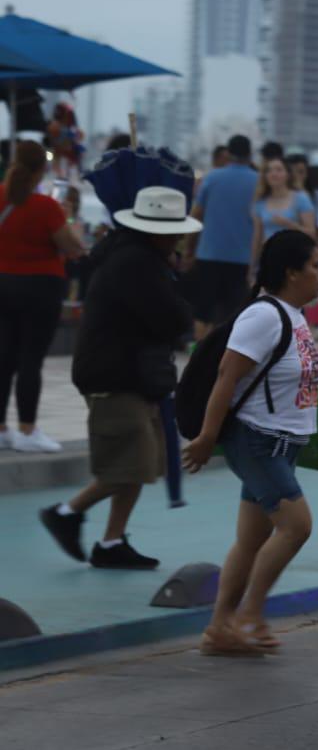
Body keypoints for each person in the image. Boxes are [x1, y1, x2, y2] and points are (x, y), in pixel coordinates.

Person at [183, 230, 318, 656]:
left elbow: (287, 370)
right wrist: (206, 436)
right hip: (260, 442)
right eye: (315, 266)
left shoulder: (292, 315)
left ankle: (220, 628)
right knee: (297, 526)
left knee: (251, 539)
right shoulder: (263, 316)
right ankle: (250, 615)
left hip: (282, 444)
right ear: (291, 272)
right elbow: (227, 376)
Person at [39, 187, 199, 569]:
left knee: (141, 462)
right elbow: (171, 318)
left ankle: (111, 542)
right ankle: (66, 512)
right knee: (133, 463)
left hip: (131, 373)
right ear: (155, 231)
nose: (179, 236)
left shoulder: (138, 258)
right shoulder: (136, 264)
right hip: (116, 374)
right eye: (174, 230)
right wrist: (179, 302)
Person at [0, 141, 87, 453]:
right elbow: (73, 248)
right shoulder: (46, 207)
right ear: (42, 170)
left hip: (3, 284)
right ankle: (27, 429)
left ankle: (1, 429)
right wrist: (67, 220)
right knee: (30, 360)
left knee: (4, 357)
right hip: (41, 288)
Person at [187, 134, 259, 340]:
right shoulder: (258, 182)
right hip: (242, 258)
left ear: (227, 153)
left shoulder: (212, 177)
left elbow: (197, 215)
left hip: (209, 254)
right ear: (249, 154)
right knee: (234, 314)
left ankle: (199, 355)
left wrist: (190, 250)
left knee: (202, 311)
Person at [250, 156, 316, 278]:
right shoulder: (260, 203)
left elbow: (311, 233)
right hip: (269, 261)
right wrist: (252, 268)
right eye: (269, 170)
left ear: (288, 174)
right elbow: (257, 237)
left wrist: (290, 225)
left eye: (278, 170)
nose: (273, 174)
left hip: (295, 262)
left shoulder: (301, 198)